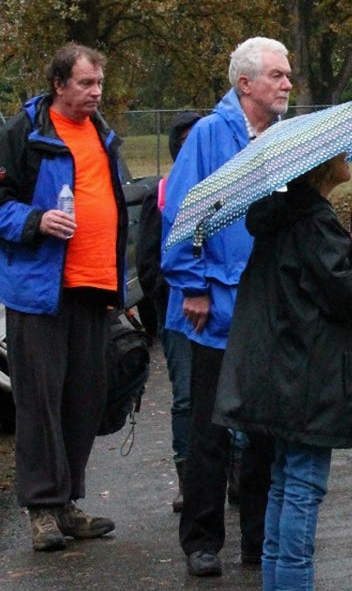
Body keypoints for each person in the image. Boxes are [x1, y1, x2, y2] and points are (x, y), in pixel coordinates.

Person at [213, 152, 352, 591]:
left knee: (283, 484)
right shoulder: (313, 219)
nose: (349, 159)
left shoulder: (280, 216)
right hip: (308, 377)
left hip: (278, 373)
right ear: (322, 167)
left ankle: (278, 582)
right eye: (341, 155)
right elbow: (351, 290)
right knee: (303, 488)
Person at [161, 36, 293, 577]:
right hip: (212, 302)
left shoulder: (284, 139)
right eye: (278, 76)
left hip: (264, 302)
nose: (288, 84)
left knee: (262, 430)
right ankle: (201, 540)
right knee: (210, 430)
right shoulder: (211, 135)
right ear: (246, 84)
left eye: (288, 75)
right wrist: (192, 285)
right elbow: (184, 212)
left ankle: (255, 539)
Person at [0, 44, 124, 552]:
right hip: (39, 293)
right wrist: (36, 220)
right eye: (86, 84)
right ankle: (42, 510)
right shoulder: (23, 134)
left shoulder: (104, 134)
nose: (96, 93)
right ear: (59, 84)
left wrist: (123, 286)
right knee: (39, 404)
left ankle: (69, 503)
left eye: (99, 84)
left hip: (94, 289)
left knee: (83, 401)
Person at [135, 110, 201, 513]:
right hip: (178, 317)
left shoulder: (228, 190)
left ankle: (232, 474)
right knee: (187, 399)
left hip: (225, 314)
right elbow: (147, 263)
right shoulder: (159, 196)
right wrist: (166, 302)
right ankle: (188, 478)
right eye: (187, 139)